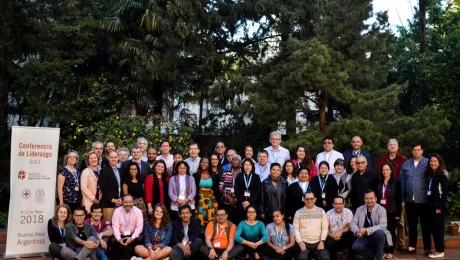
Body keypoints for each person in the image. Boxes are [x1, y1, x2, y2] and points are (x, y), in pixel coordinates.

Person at [399, 143, 431, 255]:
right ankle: (412, 247)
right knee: (412, 225)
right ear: (412, 151)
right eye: (414, 150)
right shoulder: (406, 164)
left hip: (424, 201)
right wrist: (402, 200)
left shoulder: (428, 163)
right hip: (409, 201)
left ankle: (427, 248)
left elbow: (438, 173)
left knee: (425, 226)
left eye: (418, 150)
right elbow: (402, 183)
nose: (416, 152)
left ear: (422, 151)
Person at [376, 139, 408, 251]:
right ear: (387, 147)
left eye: (394, 144)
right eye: (390, 145)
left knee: (400, 222)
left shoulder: (403, 159)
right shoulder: (382, 159)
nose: (392, 146)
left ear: (397, 147)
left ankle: (401, 243)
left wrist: (403, 198)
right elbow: (379, 175)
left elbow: (405, 177)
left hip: (398, 192)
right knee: (386, 225)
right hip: (385, 195)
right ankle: (386, 246)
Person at [351, 190, 392, 260]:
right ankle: (376, 254)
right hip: (364, 236)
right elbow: (353, 223)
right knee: (355, 247)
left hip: (377, 236)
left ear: (376, 199)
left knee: (380, 233)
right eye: (367, 198)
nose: (369, 200)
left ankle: (378, 257)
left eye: (371, 198)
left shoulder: (382, 209)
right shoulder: (359, 209)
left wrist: (366, 230)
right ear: (364, 199)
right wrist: (357, 230)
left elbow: (383, 225)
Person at [293, 192, 329, 260]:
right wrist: (300, 242)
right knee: (302, 258)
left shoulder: (321, 211)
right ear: (303, 200)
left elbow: (325, 227)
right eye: (307, 199)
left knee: (325, 258)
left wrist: (322, 241)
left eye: (311, 199)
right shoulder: (298, 212)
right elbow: (295, 229)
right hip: (304, 242)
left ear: (315, 199)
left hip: (318, 242)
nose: (309, 201)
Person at [377, 163, 401, 259]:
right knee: (382, 231)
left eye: (387, 169)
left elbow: (399, 198)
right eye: (383, 170)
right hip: (381, 211)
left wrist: (398, 213)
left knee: (390, 232)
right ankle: (384, 250)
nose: (385, 171)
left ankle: (390, 250)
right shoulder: (379, 182)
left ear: (391, 170)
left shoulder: (396, 182)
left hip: (392, 211)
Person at [425, 154, 448, 259]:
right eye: (431, 161)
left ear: (439, 162)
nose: (433, 163)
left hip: (437, 207)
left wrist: (439, 207)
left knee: (438, 229)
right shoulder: (431, 174)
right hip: (430, 206)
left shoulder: (441, 175)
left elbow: (444, 192)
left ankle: (440, 251)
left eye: (435, 161)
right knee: (434, 229)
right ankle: (438, 249)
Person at [194, 157, 219, 232]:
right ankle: (200, 237)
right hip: (199, 202)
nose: (204, 164)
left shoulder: (214, 175)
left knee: (211, 219)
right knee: (199, 218)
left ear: (209, 164)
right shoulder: (195, 175)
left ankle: (209, 236)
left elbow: (216, 189)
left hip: (211, 202)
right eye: (202, 162)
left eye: (206, 162)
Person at [234, 159, 262, 223]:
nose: (247, 167)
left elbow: (258, 191)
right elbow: (236, 190)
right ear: (243, 166)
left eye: (249, 165)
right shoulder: (239, 176)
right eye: (245, 165)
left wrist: (249, 202)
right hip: (241, 204)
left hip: (253, 203)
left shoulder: (256, 177)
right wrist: (243, 201)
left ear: (252, 166)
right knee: (241, 221)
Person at [99, 151, 122, 222]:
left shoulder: (120, 170)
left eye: (115, 157)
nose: (113, 159)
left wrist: (120, 198)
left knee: (118, 225)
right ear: (108, 158)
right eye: (111, 157)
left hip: (119, 202)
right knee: (108, 225)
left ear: (118, 158)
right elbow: (103, 187)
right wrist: (112, 199)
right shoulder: (104, 170)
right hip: (108, 203)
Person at [218, 154, 241, 222]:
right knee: (228, 221)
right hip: (227, 202)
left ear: (240, 162)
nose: (234, 161)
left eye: (236, 160)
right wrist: (229, 197)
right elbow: (221, 186)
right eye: (233, 160)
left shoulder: (243, 173)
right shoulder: (226, 172)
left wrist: (236, 199)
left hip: (240, 202)